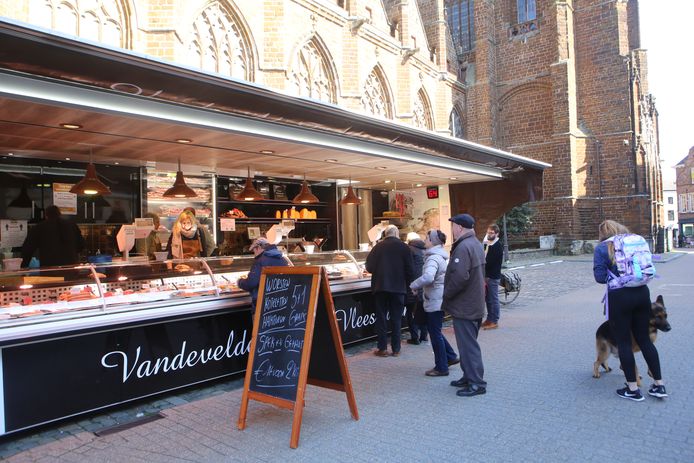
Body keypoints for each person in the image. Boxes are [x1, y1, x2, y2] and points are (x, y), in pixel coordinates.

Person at [593, 220, 667, 401]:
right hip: (642, 293)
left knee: (624, 342)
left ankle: (632, 389)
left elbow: (600, 277)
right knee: (644, 340)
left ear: (603, 233)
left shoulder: (602, 248)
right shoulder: (636, 240)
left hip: (620, 297)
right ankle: (659, 385)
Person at [443, 213, 487, 397]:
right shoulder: (475, 243)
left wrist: (447, 294)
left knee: (468, 346)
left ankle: (477, 383)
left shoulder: (463, 247)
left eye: (453, 225)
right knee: (467, 344)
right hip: (474, 302)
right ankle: (468, 376)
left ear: (459, 227)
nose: (452, 229)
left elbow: (460, 277)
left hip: (465, 305)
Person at [410, 229, 459, 376]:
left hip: (434, 300)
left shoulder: (433, 258)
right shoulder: (439, 256)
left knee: (435, 334)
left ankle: (441, 367)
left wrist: (414, 285)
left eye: (427, 238)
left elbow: (428, 277)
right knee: (435, 331)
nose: (425, 240)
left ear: (432, 241)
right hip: (437, 299)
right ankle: (450, 356)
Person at [365, 225, 415, 357]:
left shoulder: (377, 247)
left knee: (381, 318)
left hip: (380, 287)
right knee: (396, 318)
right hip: (398, 288)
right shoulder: (405, 248)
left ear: (385, 234)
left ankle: (382, 349)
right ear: (397, 234)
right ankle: (396, 349)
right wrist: (410, 285)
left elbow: (369, 267)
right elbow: (411, 270)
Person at [21, 205, 85, 268]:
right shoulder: (72, 225)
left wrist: (23, 267)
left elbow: (27, 250)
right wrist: (71, 253)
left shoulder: (39, 228)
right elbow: (81, 245)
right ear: (60, 214)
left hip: (49, 267)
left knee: (52, 278)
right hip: (71, 266)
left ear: (46, 215)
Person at [237, 237, 289, 315]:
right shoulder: (283, 259)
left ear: (258, 247)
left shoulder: (260, 261)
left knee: (260, 325)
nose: (254, 253)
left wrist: (239, 282)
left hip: (263, 304)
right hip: (280, 303)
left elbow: (251, 283)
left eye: (254, 250)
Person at [405, 231, 428, 345]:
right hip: (424, 284)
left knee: (411, 312)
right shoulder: (425, 249)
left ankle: (415, 337)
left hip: (413, 284)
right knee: (422, 310)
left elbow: (408, 268)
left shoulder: (409, 249)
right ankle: (424, 335)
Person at [482, 224, 504, 330]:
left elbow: (489, 262)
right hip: (487, 276)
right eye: (488, 232)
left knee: (494, 299)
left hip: (493, 277)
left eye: (491, 233)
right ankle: (489, 319)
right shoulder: (488, 244)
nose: (489, 234)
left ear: (496, 234)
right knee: (488, 299)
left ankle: (494, 321)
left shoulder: (497, 246)